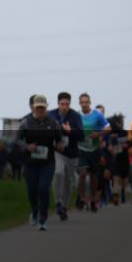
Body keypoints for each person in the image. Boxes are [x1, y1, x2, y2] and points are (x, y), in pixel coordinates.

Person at [16, 94, 63, 231]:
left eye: (43, 107)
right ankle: (35, 211)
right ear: (33, 108)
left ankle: (43, 217)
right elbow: (18, 140)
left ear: (46, 108)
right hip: (30, 163)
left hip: (47, 163)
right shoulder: (26, 123)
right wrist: (27, 146)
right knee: (32, 191)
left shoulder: (53, 123)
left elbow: (59, 140)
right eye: (38, 108)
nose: (40, 110)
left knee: (43, 188)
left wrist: (60, 145)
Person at [48, 91, 83, 221]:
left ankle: (64, 207)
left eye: (67, 104)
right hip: (57, 151)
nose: (64, 106)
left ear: (70, 104)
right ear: (58, 104)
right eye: (62, 104)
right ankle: (58, 202)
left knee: (69, 182)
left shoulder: (75, 116)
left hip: (72, 153)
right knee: (58, 172)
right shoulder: (51, 115)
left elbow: (81, 135)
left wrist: (70, 131)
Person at [76, 92, 110, 213]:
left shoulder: (97, 114)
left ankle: (93, 200)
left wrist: (98, 134)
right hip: (81, 149)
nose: (84, 104)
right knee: (82, 173)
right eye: (82, 102)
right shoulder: (76, 115)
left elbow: (108, 128)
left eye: (86, 102)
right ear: (79, 103)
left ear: (90, 102)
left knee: (94, 176)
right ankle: (81, 198)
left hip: (94, 149)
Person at [106, 113, 130, 205]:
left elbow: (131, 143)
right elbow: (108, 146)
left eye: (121, 122)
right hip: (115, 159)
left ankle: (123, 192)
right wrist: (110, 148)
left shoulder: (126, 133)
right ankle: (116, 194)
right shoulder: (110, 134)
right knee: (116, 179)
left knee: (124, 179)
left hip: (124, 158)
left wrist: (126, 145)